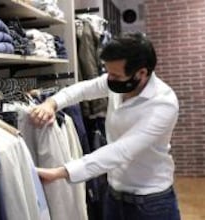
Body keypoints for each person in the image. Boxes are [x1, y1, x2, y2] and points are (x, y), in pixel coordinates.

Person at [29, 32, 181, 220]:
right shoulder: (118, 82)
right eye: (108, 72)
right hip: (114, 194)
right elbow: (83, 89)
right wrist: (51, 103)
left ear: (141, 73)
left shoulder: (163, 104)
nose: (109, 79)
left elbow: (121, 151)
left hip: (150, 203)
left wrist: (60, 172)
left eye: (115, 75)